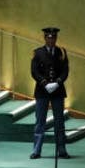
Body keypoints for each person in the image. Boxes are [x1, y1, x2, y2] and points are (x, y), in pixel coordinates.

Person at [29, 27, 70, 159]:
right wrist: (44, 83)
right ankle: (36, 150)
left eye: (53, 37)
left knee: (59, 122)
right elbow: (34, 71)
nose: (51, 39)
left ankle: (61, 149)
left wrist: (57, 82)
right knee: (40, 122)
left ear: (56, 38)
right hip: (42, 91)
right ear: (45, 38)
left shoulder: (61, 52)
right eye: (49, 37)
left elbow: (65, 71)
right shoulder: (38, 52)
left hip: (58, 91)